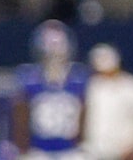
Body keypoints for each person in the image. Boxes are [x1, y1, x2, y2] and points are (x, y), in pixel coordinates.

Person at [14, 22, 89, 156]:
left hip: (70, 149)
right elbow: (21, 116)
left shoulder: (79, 77)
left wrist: (82, 144)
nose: (54, 52)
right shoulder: (29, 78)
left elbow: (84, 114)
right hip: (38, 149)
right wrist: (23, 148)